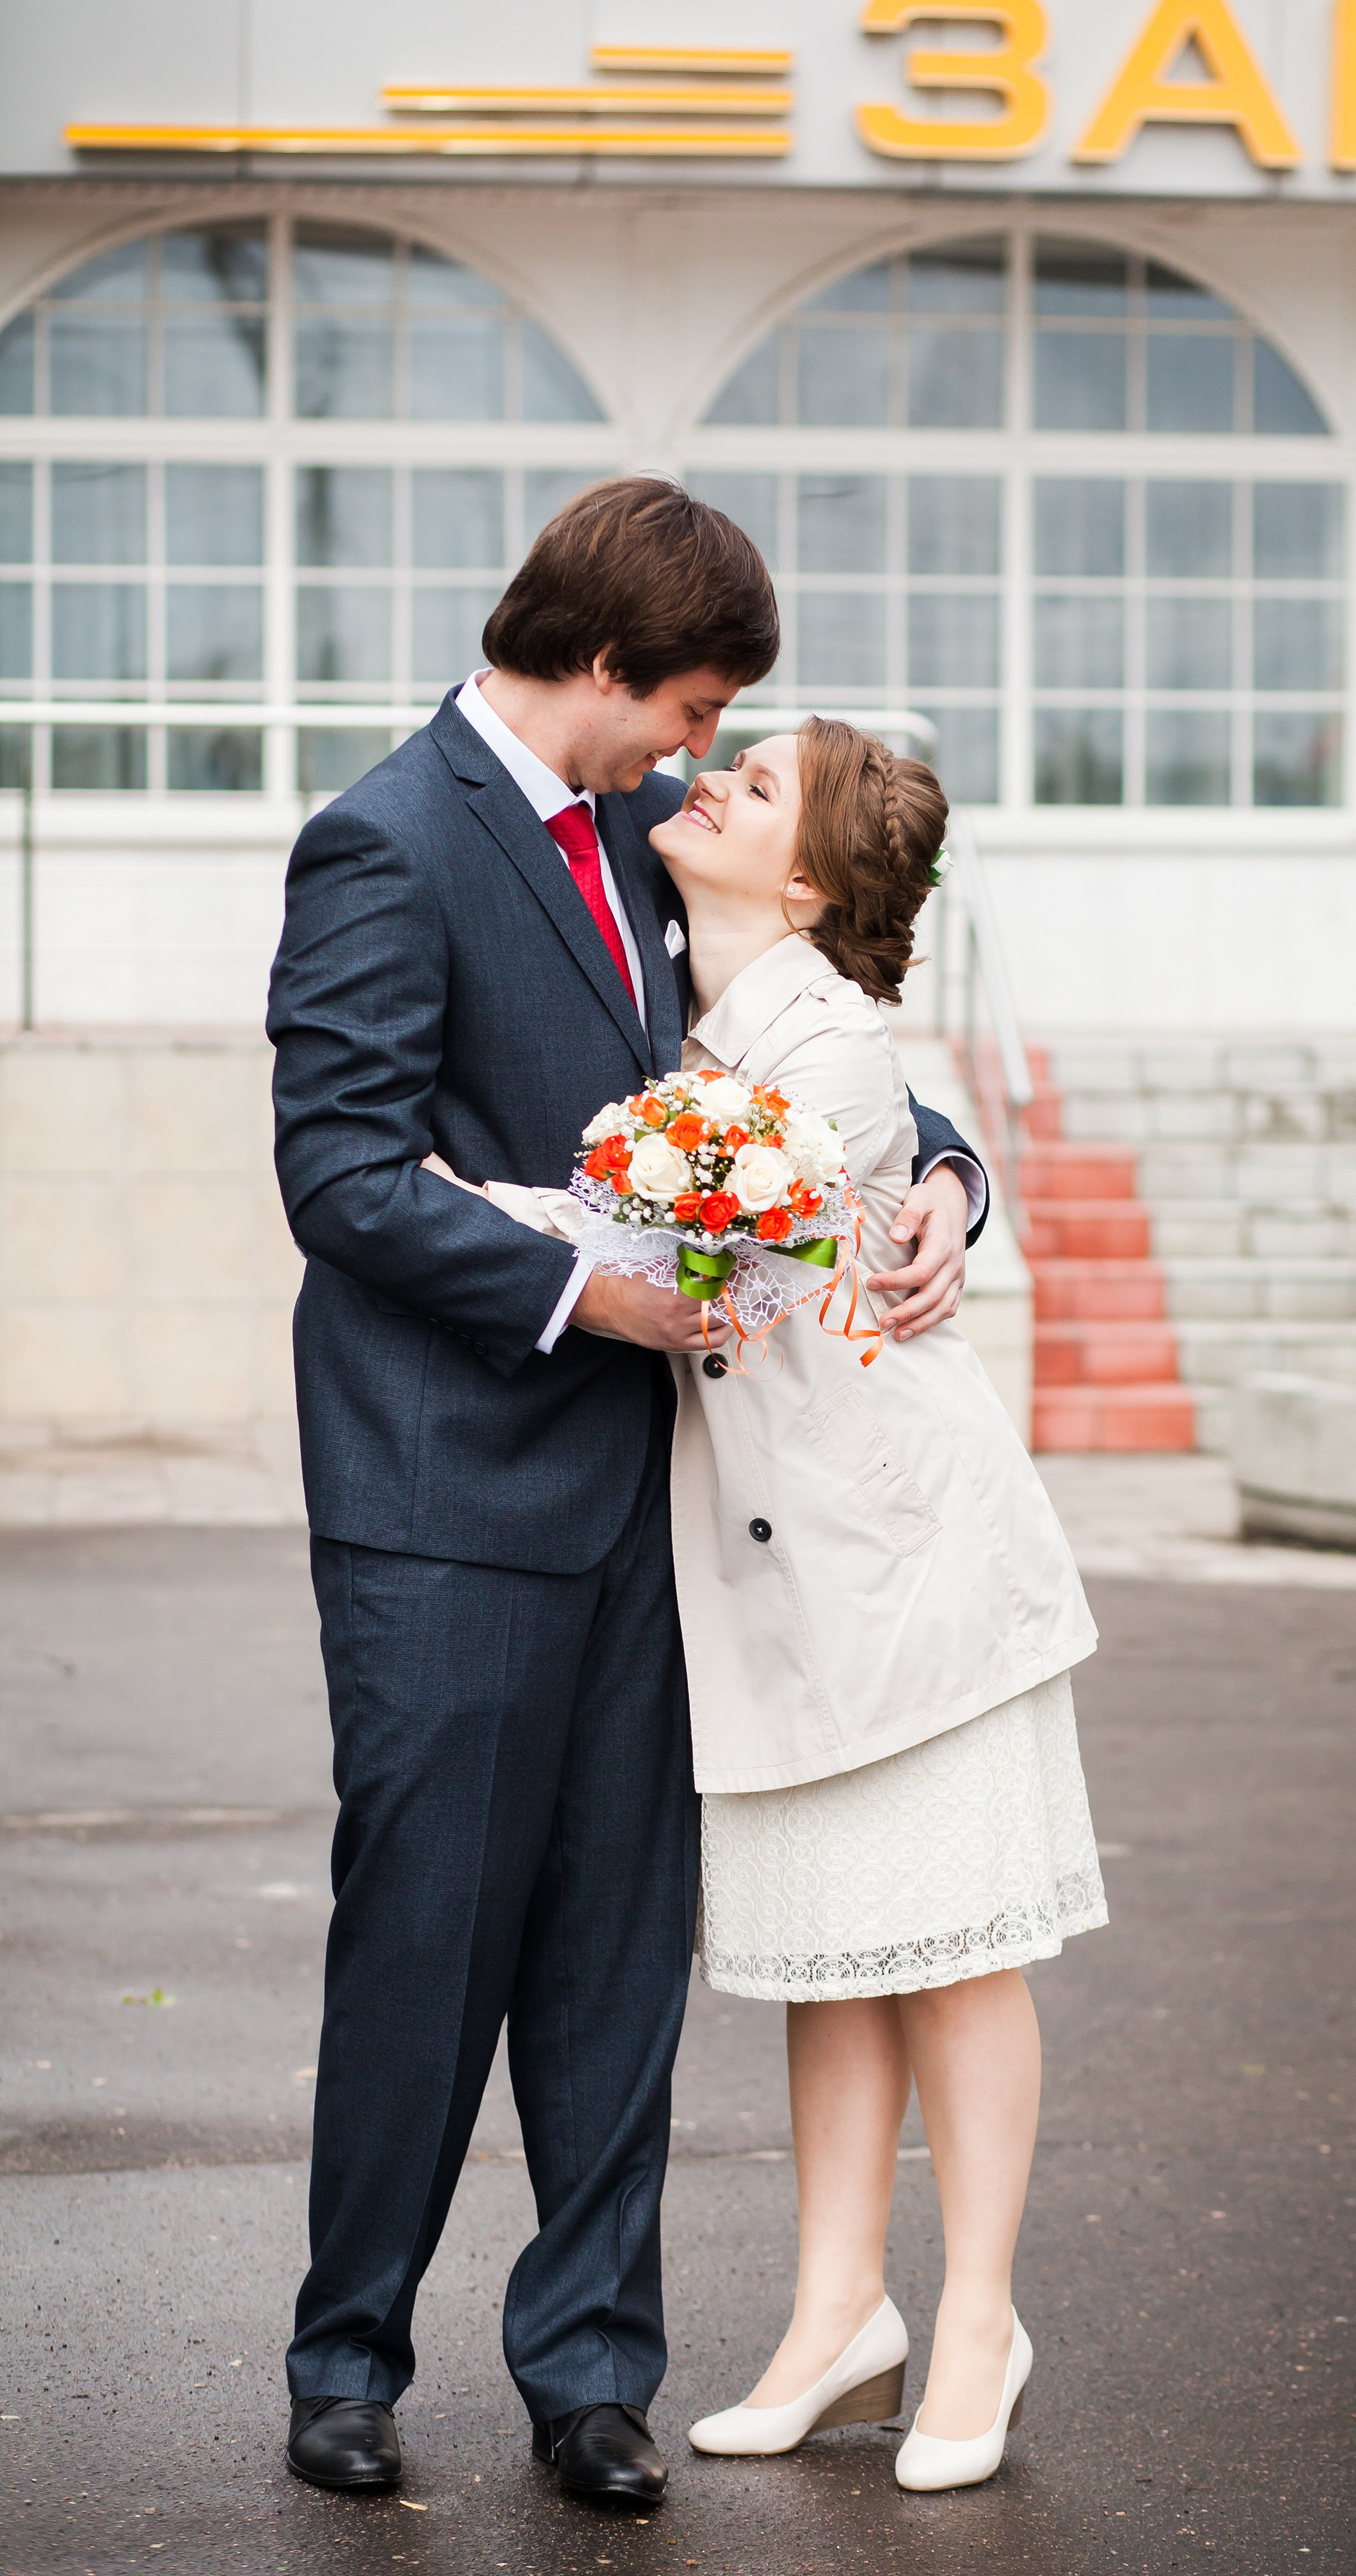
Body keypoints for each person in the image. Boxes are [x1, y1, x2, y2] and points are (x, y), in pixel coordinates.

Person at [266, 479, 987, 2508]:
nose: (694, 754)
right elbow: (337, 1172)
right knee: (427, 1932)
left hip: (666, 1514)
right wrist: (594, 1286)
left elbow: (817, 1055)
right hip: (443, 1497)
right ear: (598, 669)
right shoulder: (384, 841)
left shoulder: (646, 857)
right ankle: (346, 2358)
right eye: (681, 711)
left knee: (615, 1951)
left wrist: (942, 1181)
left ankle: (588, 2370)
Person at [468, 718, 1105, 2494]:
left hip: (907, 1567)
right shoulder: (692, 1002)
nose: (711, 780)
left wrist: (446, 1197)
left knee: (958, 1951)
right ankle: (840, 2315)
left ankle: (975, 2314)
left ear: (809, 881)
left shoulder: (822, 1052)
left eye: (751, 784)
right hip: (775, 1582)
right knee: (834, 1955)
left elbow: (656, 1246)